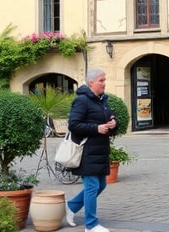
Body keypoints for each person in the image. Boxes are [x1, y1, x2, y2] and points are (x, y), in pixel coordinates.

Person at [66, 69, 118, 232]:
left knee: (101, 185)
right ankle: (91, 225)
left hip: (100, 150)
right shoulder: (82, 100)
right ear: (91, 83)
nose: (104, 83)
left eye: (104, 80)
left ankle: (70, 207)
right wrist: (96, 128)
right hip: (87, 151)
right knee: (92, 186)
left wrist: (113, 123)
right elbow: (73, 125)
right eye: (101, 80)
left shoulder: (102, 100)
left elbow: (109, 118)